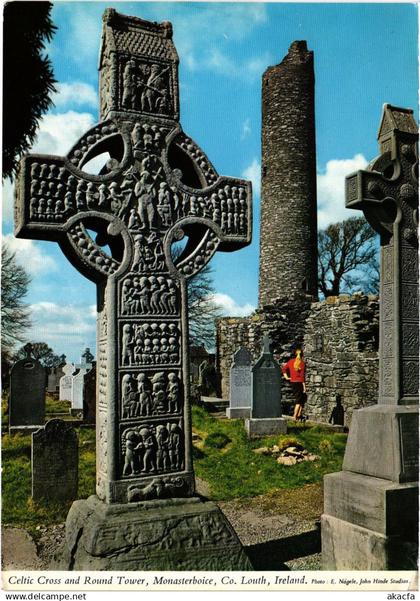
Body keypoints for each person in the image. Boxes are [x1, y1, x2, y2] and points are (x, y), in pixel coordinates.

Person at [282, 346, 307, 421]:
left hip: (293, 383)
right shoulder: (302, 363)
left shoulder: (290, 362)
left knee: (301, 399)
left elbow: (284, 369)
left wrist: (286, 377)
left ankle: (299, 415)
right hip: (299, 383)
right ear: (302, 355)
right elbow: (302, 377)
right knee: (299, 401)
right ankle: (295, 417)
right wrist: (304, 387)